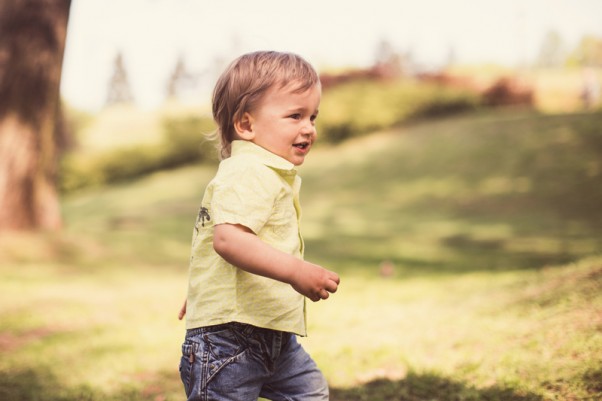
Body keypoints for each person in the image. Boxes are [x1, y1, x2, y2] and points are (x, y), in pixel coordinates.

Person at [177, 50, 340, 401]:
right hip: (230, 342)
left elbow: (216, 249)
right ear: (246, 125)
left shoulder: (265, 172)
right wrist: (295, 271)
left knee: (309, 393)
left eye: (313, 116)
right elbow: (229, 241)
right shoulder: (247, 172)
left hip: (271, 337)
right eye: (295, 115)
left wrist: (206, 293)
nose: (309, 128)